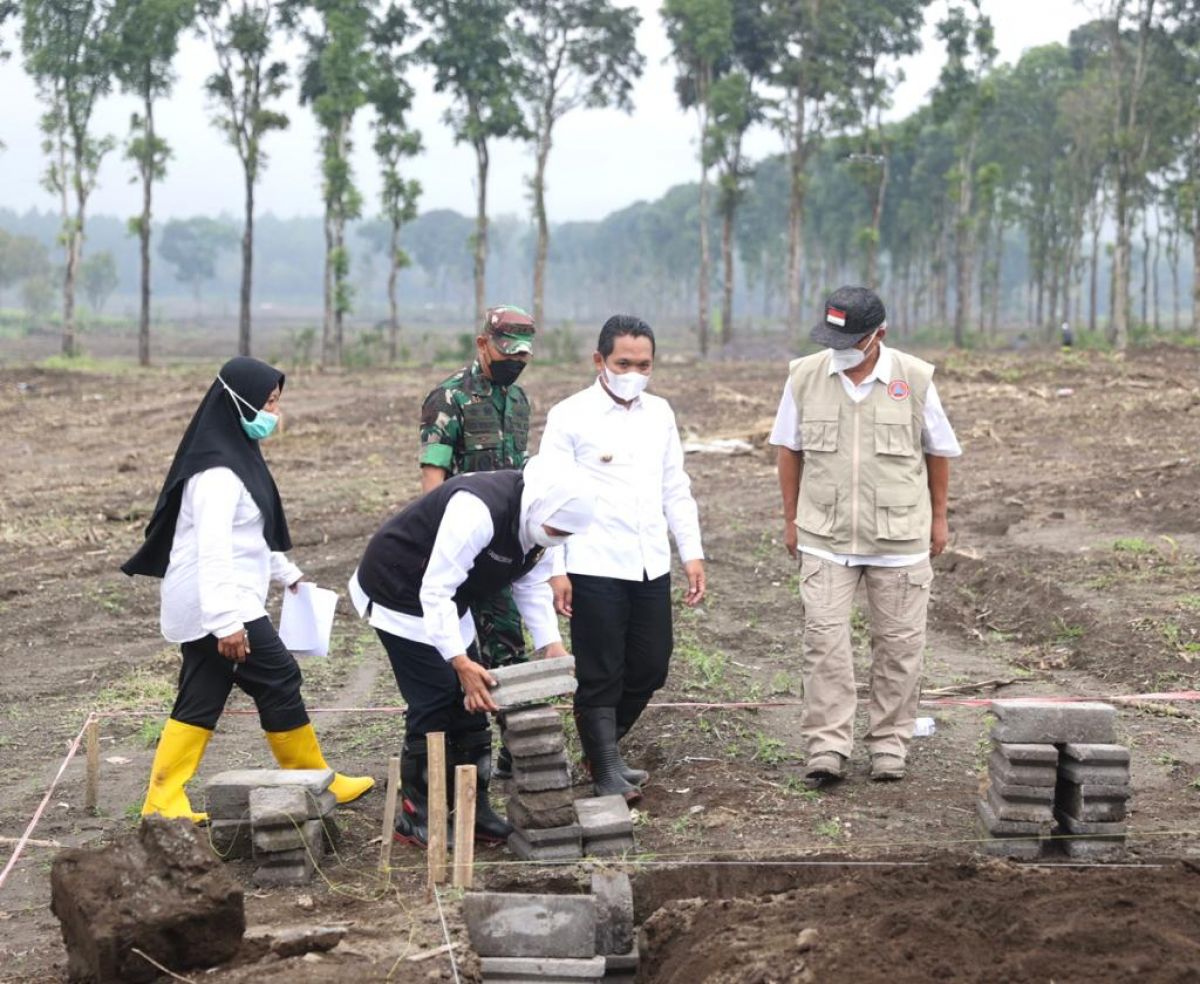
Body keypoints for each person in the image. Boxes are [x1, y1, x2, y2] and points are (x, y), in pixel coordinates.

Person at [122, 356, 373, 823]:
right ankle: (313, 777)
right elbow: (214, 550)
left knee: (201, 695)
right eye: (267, 402)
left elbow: (250, 532)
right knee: (278, 676)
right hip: (217, 601)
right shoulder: (216, 474)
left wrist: (287, 573)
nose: (274, 412)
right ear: (235, 403)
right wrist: (226, 623)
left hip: (218, 598)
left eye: (277, 401)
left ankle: (162, 801)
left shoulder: (237, 458)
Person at [348, 456, 594, 848]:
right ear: (540, 508)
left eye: (565, 534)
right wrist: (460, 661)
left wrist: (551, 643)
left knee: (476, 699)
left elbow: (529, 583)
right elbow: (435, 590)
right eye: (554, 528)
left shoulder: (543, 518)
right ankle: (417, 813)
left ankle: (472, 807)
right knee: (434, 699)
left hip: (451, 599)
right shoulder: (477, 510)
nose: (556, 537)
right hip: (399, 589)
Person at [769, 285, 961, 785]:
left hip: (898, 538)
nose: (842, 348)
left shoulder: (914, 379)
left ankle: (890, 747)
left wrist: (939, 519)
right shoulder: (804, 376)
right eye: (835, 338)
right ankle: (828, 748)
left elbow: (937, 451)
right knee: (824, 642)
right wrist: (791, 519)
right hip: (824, 536)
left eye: (853, 339)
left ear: (880, 334)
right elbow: (788, 450)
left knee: (899, 646)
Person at [539, 315, 705, 803]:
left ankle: (602, 749)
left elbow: (676, 487)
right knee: (600, 670)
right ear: (600, 361)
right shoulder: (569, 416)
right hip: (592, 562)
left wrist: (690, 552)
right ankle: (605, 768)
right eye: (623, 363)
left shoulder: (661, 413)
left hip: (649, 560)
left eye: (644, 364)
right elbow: (549, 497)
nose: (634, 372)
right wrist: (556, 568)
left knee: (652, 664)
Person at [419, 304, 536, 777]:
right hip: (461, 548)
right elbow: (433, 480)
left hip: (504, 549)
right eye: (507, 353)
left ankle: (515, 753)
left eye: (523, 357)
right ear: (482, 344)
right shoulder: (448, 399)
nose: (515, 363)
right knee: (456, 653)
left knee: (507, 647)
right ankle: (463, 754)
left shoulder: (520, 402)